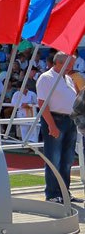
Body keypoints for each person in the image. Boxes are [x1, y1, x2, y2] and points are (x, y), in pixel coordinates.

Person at [35, 52, 81, 204]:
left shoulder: (67, 78)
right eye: (69, 65)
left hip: (70, 120)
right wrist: (51, 125)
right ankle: (53, 194)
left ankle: (64, 192)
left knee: (67, 159)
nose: (71, 68)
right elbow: (42, 104)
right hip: (56, 119)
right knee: (54, 158)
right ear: (59, 63)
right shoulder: (46, 78)